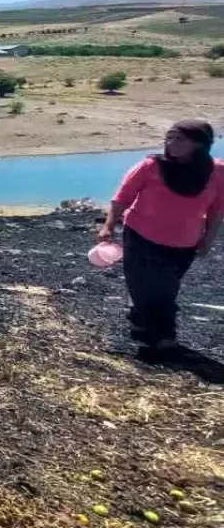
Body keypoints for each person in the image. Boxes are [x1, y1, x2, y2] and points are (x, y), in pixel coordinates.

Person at [99, 120, 224, 354]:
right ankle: (165, 336)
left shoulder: (217, 172)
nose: (171, 143)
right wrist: (108, 226)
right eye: (169, 137)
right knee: (140, 285)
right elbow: (122, 198)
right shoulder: (150, 166)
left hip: (183, 243)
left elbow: (217, 211)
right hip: (140, 235)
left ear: (200, 144)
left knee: (164, 288)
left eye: (180, 139)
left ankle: (142, 318)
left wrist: (208, 240)